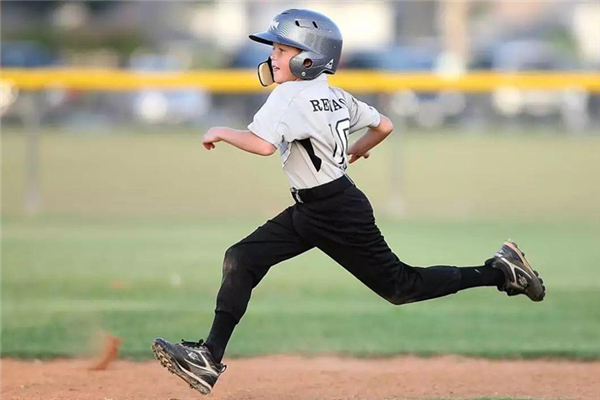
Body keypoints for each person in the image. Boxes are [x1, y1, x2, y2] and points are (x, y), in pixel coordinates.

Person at [151, 9, 546, 395]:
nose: (273, 54)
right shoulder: (334, 94)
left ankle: (501, 271)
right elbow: (384, 125)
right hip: (320, 206)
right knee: (242, 258)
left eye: (282, 49)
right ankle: (207, 356)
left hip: (335, 212)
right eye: (274, 47)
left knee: (401, 287)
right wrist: (354, 151)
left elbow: (263, 146)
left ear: (309, 58)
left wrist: (221, 130)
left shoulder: (288, 96)